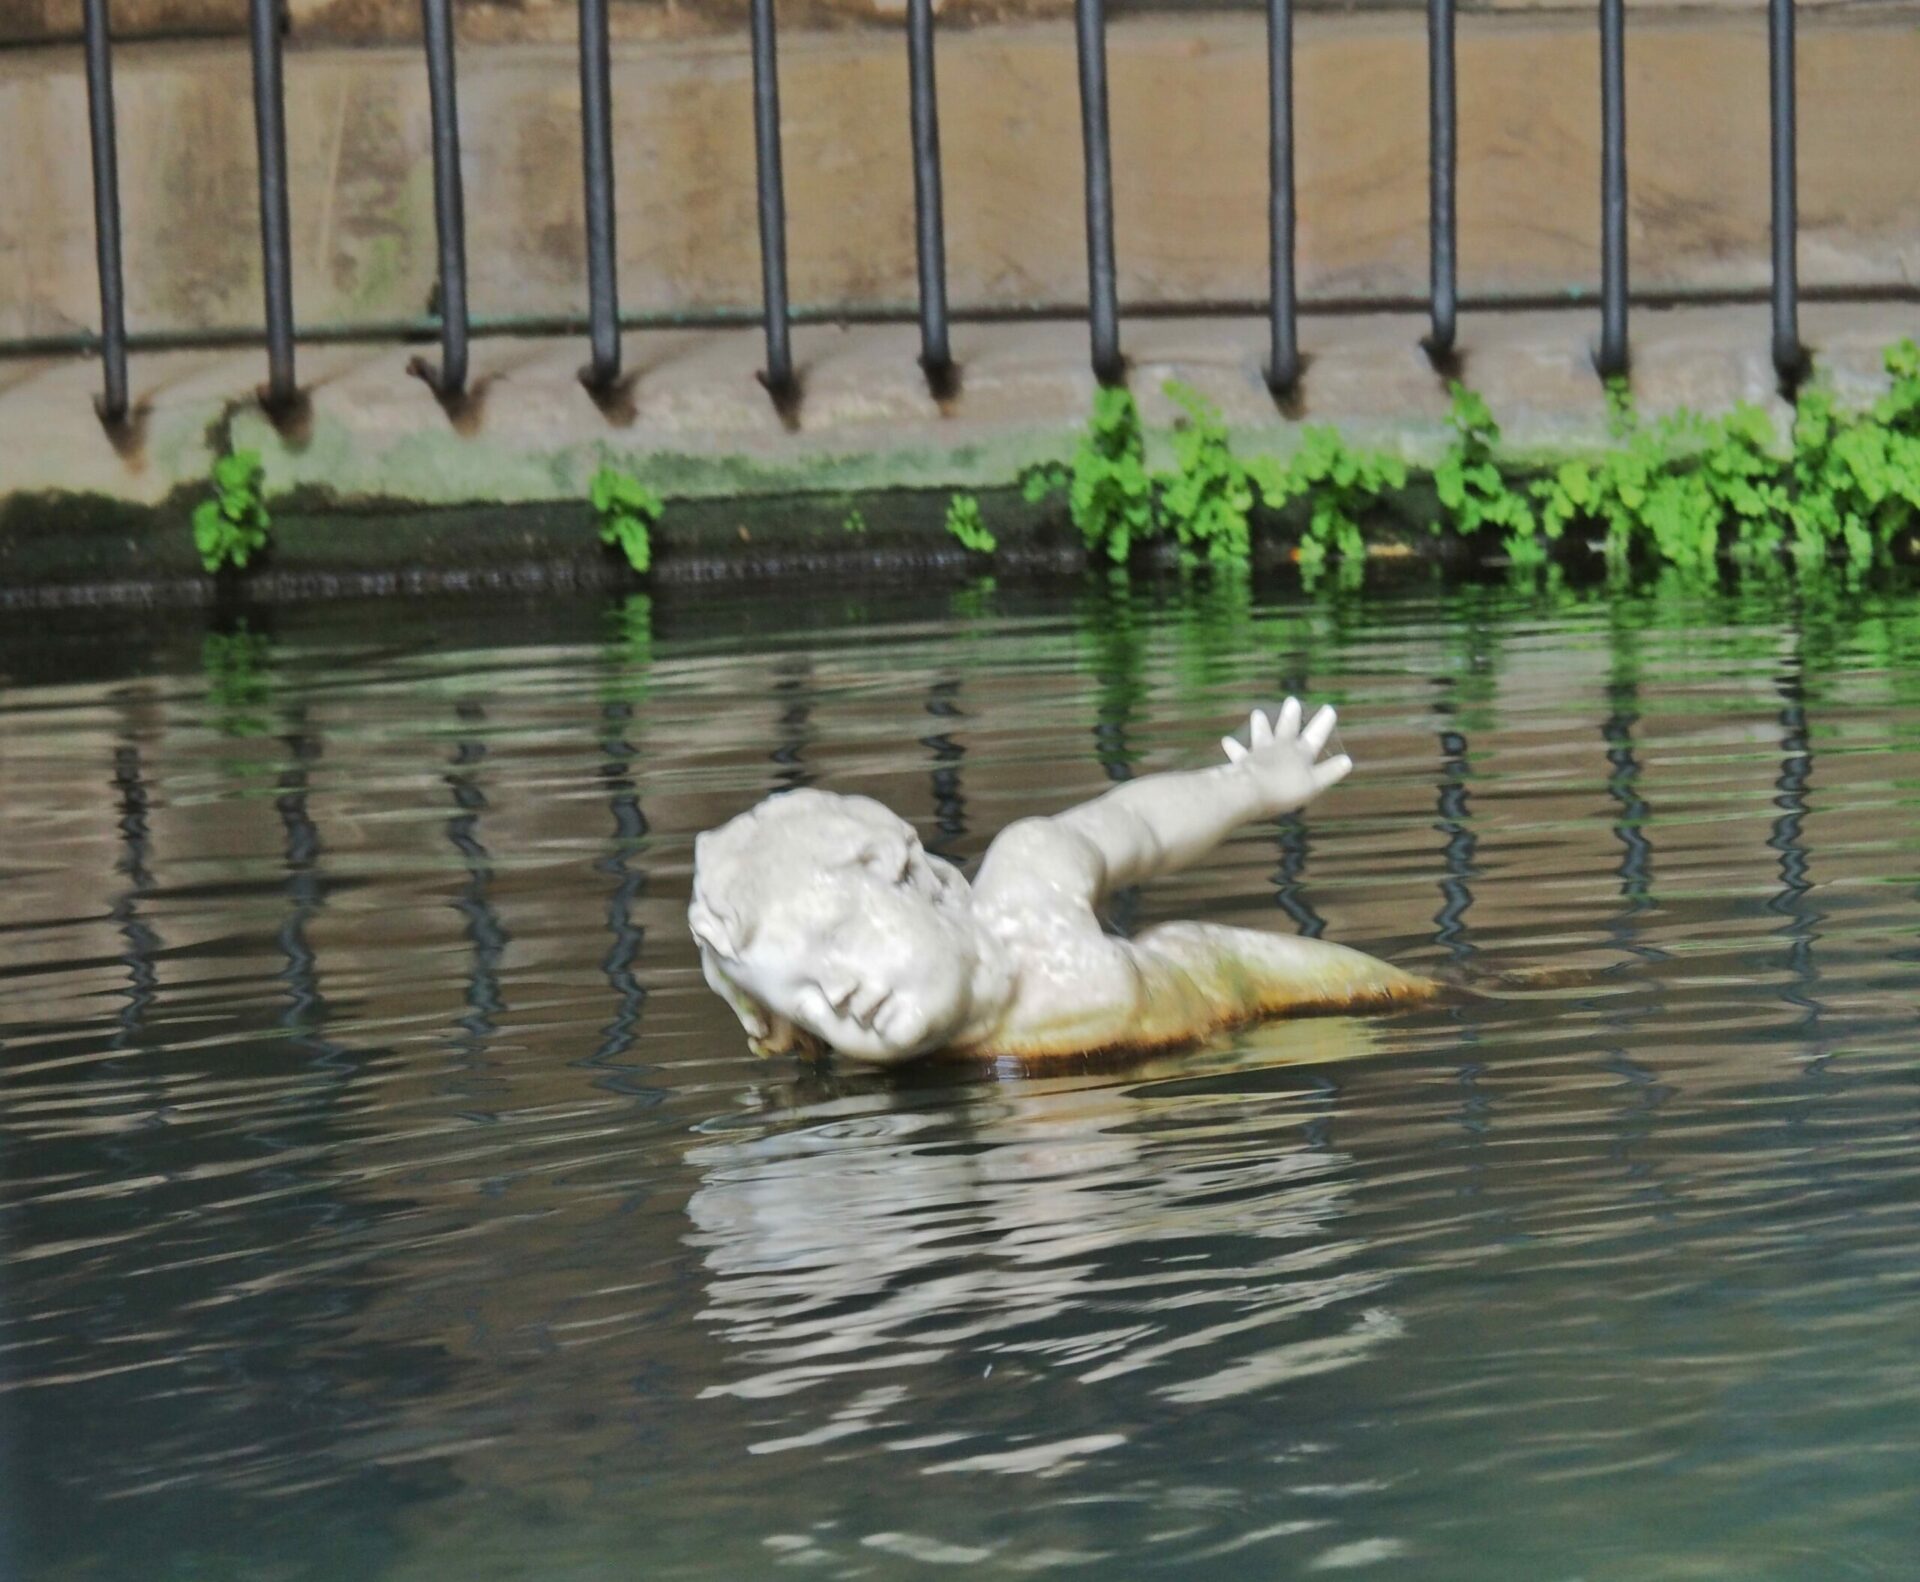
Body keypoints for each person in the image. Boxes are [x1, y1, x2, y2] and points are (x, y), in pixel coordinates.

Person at [688, 700, 1436, 1066]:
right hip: (1173, 1121)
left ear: (907, 872)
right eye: (808, 998)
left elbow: (1135, 828)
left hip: (1247, 992)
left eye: (839, 942)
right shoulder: (901, 1075)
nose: (841, 992)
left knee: (1409, 1005)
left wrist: (1251, 784)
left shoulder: (1028, 884)